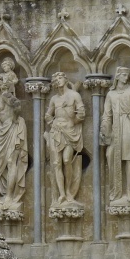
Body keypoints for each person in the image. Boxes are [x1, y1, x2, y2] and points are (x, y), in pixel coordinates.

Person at [100, 67, 130, 206]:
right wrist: (104, 127)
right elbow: (107, 114)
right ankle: (117, 190)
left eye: (127, 75)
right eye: (123, 75)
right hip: (116, 128)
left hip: (129, 126)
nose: (126, 77)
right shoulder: (111, 94)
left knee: (129, 158)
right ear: (117, 76)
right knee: (111, 155)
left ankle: (129, 191)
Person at [0, 75, 27, 212]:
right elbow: (0, 118)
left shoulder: (4, 96)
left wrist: (13, 120)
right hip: (3, 132)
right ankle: (5, 191)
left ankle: (9, 196)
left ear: (0, 85)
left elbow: (17, 105)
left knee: (10, 161)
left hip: (13, 129)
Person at [44, 72, 86, 209]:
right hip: (56, 132)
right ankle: (61, 194)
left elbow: (81, 112)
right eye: (55, 79)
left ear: (66, 79)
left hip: (70, 132)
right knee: (56, 163)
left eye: (60, 78)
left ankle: (69, 192)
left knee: (67, 160)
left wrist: (73, 121)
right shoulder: (54, 99)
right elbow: (48, 115)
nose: (58, 81)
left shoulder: (74, 95)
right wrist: (52, 123)